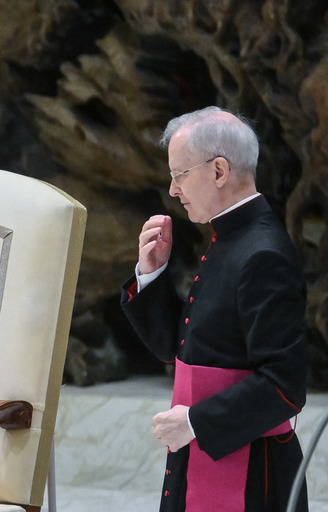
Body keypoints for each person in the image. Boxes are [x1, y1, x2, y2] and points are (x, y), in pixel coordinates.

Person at [120, 106, 308, 512]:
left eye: (179, 174)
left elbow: (284, 385)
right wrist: (151, 276)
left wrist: (194, 423)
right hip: (208, 457)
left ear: (219, 171)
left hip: (251, 476)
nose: (172, 190)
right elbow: (183, 349)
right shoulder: (230, 239)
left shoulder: (263, 254)